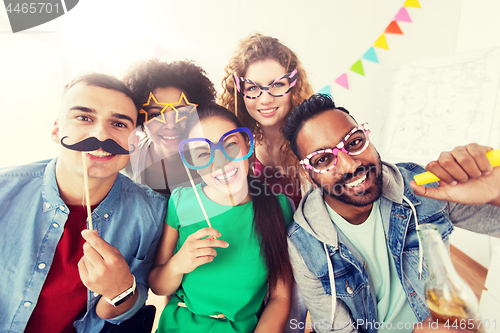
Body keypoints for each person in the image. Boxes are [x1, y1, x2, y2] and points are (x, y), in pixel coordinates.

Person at [282, 94, 500, 333]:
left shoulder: (422, 188)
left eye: (354, 142)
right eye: (323, 159)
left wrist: (495, 192)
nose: (350, 165)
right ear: (308, 175)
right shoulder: (304, 243)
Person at [0, 73, 167, 333]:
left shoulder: (153, 212)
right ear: (57, 130)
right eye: (84, 117)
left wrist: (121, 290)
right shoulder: (4, 191)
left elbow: (123, 312)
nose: (101, 134)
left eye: (119, 124)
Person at [148, 103, 294, 332]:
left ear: (248, 144)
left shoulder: (279, 207)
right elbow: (158, 286)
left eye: (230, 146)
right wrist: (178, 264)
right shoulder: (180, 202)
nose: (221, 161)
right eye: (204, 153)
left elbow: (280, 298)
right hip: (180, 325)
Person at [220, 33, 314, 209]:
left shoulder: (315, 141)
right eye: (253, 87)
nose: (265, 99)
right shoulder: (236, 147)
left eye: (277, 84)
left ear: (293, 86)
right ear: (240, 93)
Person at [122, 58, 217, 198]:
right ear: (140, 117)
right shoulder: (126, 160)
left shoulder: (216, 159)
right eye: (155, 114)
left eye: (182, 113)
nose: (171, 124)